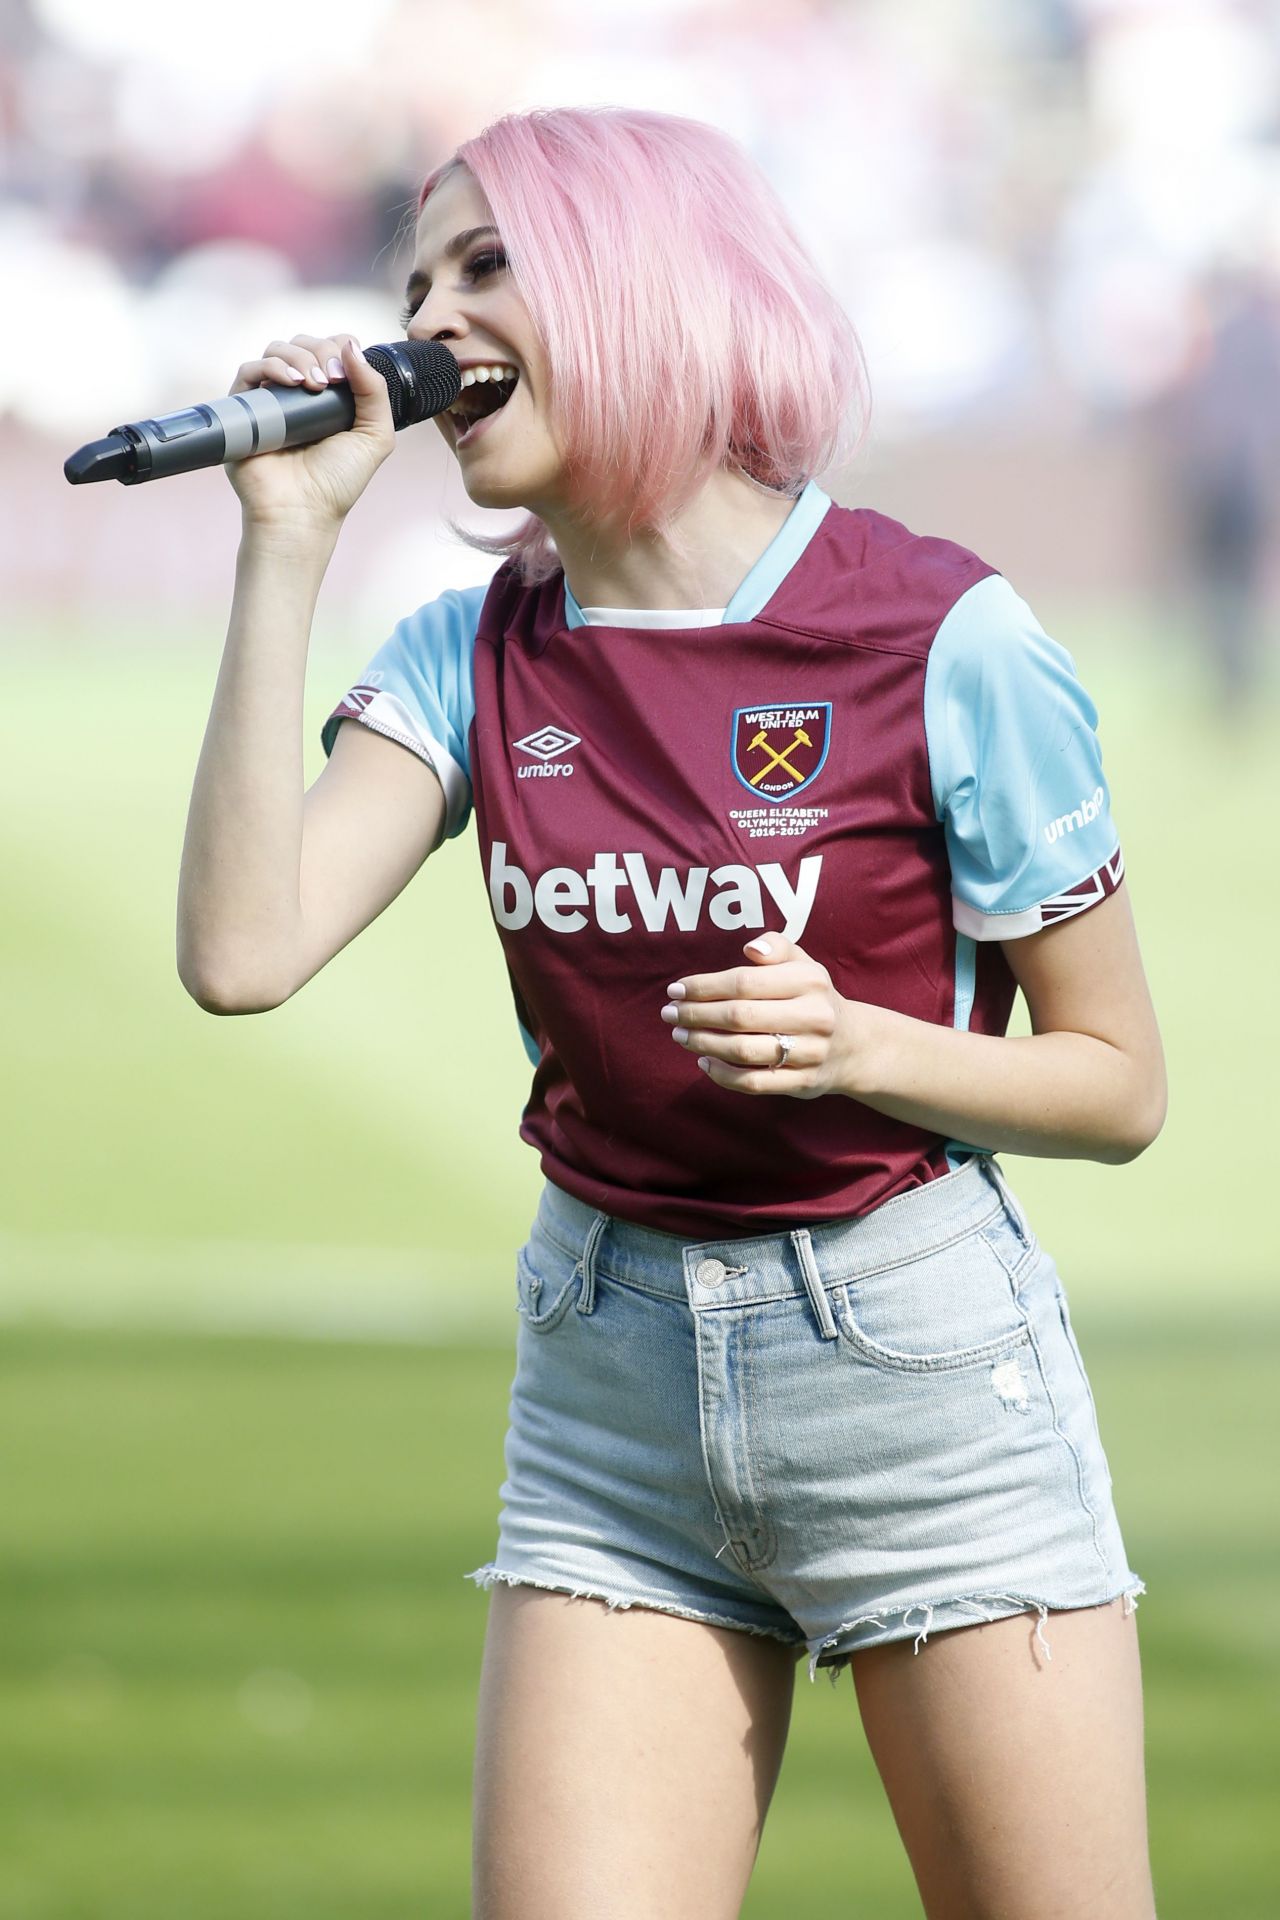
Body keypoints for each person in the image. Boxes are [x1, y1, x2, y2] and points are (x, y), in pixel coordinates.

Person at [177, 106, 1166, 1920]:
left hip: (919, 1372)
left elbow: (1117, 1084)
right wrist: (286, 543)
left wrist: (860, 1046)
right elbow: (244, 953)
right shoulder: (468, 650)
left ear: (643, 290)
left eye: (487, 265)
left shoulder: (945, 637)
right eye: (417, 278)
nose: (432, 315)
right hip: (607, 1382)